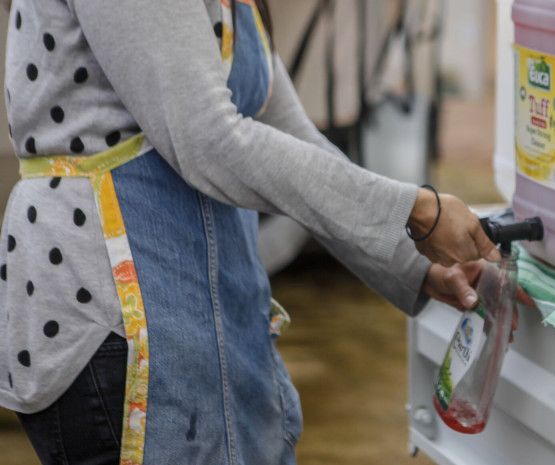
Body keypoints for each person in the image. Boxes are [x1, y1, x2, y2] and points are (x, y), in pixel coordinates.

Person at [0, 1, 513, 463]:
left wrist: (419, 263)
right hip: (111, 322)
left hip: (205, 314)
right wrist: (416, 210)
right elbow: (209, 140)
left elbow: (292, 135)